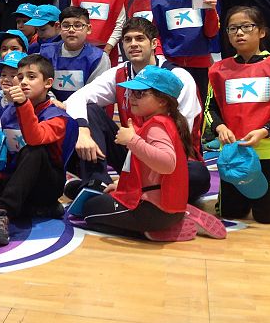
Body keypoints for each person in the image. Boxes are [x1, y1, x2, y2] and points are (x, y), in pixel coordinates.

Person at [63, 18, 206, 203]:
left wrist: (127, 179)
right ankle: (96, 184)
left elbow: (178, 137)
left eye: (140, 38)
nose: (133, 44)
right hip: (133, 152)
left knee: (198, 176)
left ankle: (128, 190)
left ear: (154, 44)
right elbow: (77, 98)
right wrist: (83, 131)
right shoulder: (119, 73)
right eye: (128, 40)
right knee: (88, 112)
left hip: (169, 158)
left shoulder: (178, 78)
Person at [76, 66, 224, 242]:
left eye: (140, 94)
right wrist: (123, 187)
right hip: (163, 206)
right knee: (87, 196)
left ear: (162, 101)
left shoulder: (156, 127)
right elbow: (149, 172)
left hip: (153, 210)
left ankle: (156, 231)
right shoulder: (164, 122)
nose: (132, 97)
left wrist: (132, 140)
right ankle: (175, 217)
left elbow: (167, 164)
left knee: (89, 211)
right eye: (132, 92)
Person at [0, 54, 76, 246]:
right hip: (16, 182)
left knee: (34, 150)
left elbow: (35, 138)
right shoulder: (9, 112)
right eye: (20, 77)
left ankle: (2, 214)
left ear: (48, 83)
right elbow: (6, 157)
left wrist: (23, 105)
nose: (23, 82)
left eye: (31, 77)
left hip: (46, 183)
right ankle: (40, 209)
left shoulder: (57, 116)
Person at [206, 6, 270, 224]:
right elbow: (210, 109)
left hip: (268, 150)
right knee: (229, 213)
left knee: (268, 218)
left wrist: (266, 131)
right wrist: (220, 127)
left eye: (246, 27)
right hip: (233, 153)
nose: (239, 33)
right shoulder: (218, 70)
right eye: (232, 28)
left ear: (262, 32)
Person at [151, 0, 219, 101]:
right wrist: (159, 57)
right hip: (171, 64)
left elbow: (211, 33)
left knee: (202, 103)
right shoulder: (159, 0)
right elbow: (156, 33)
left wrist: (211, 10)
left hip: (201, 64)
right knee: (173, 104)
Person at [40, 6, 111, 102]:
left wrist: (68, 106)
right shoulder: (45, 53)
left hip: (86, 108)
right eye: (66, 26)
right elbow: (40, 87)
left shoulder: (99, 58)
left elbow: (97, 93)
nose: (71, 30)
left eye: (77, 26)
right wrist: (53, 102)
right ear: (59, 28)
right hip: (51, 106)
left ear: (88, 29)